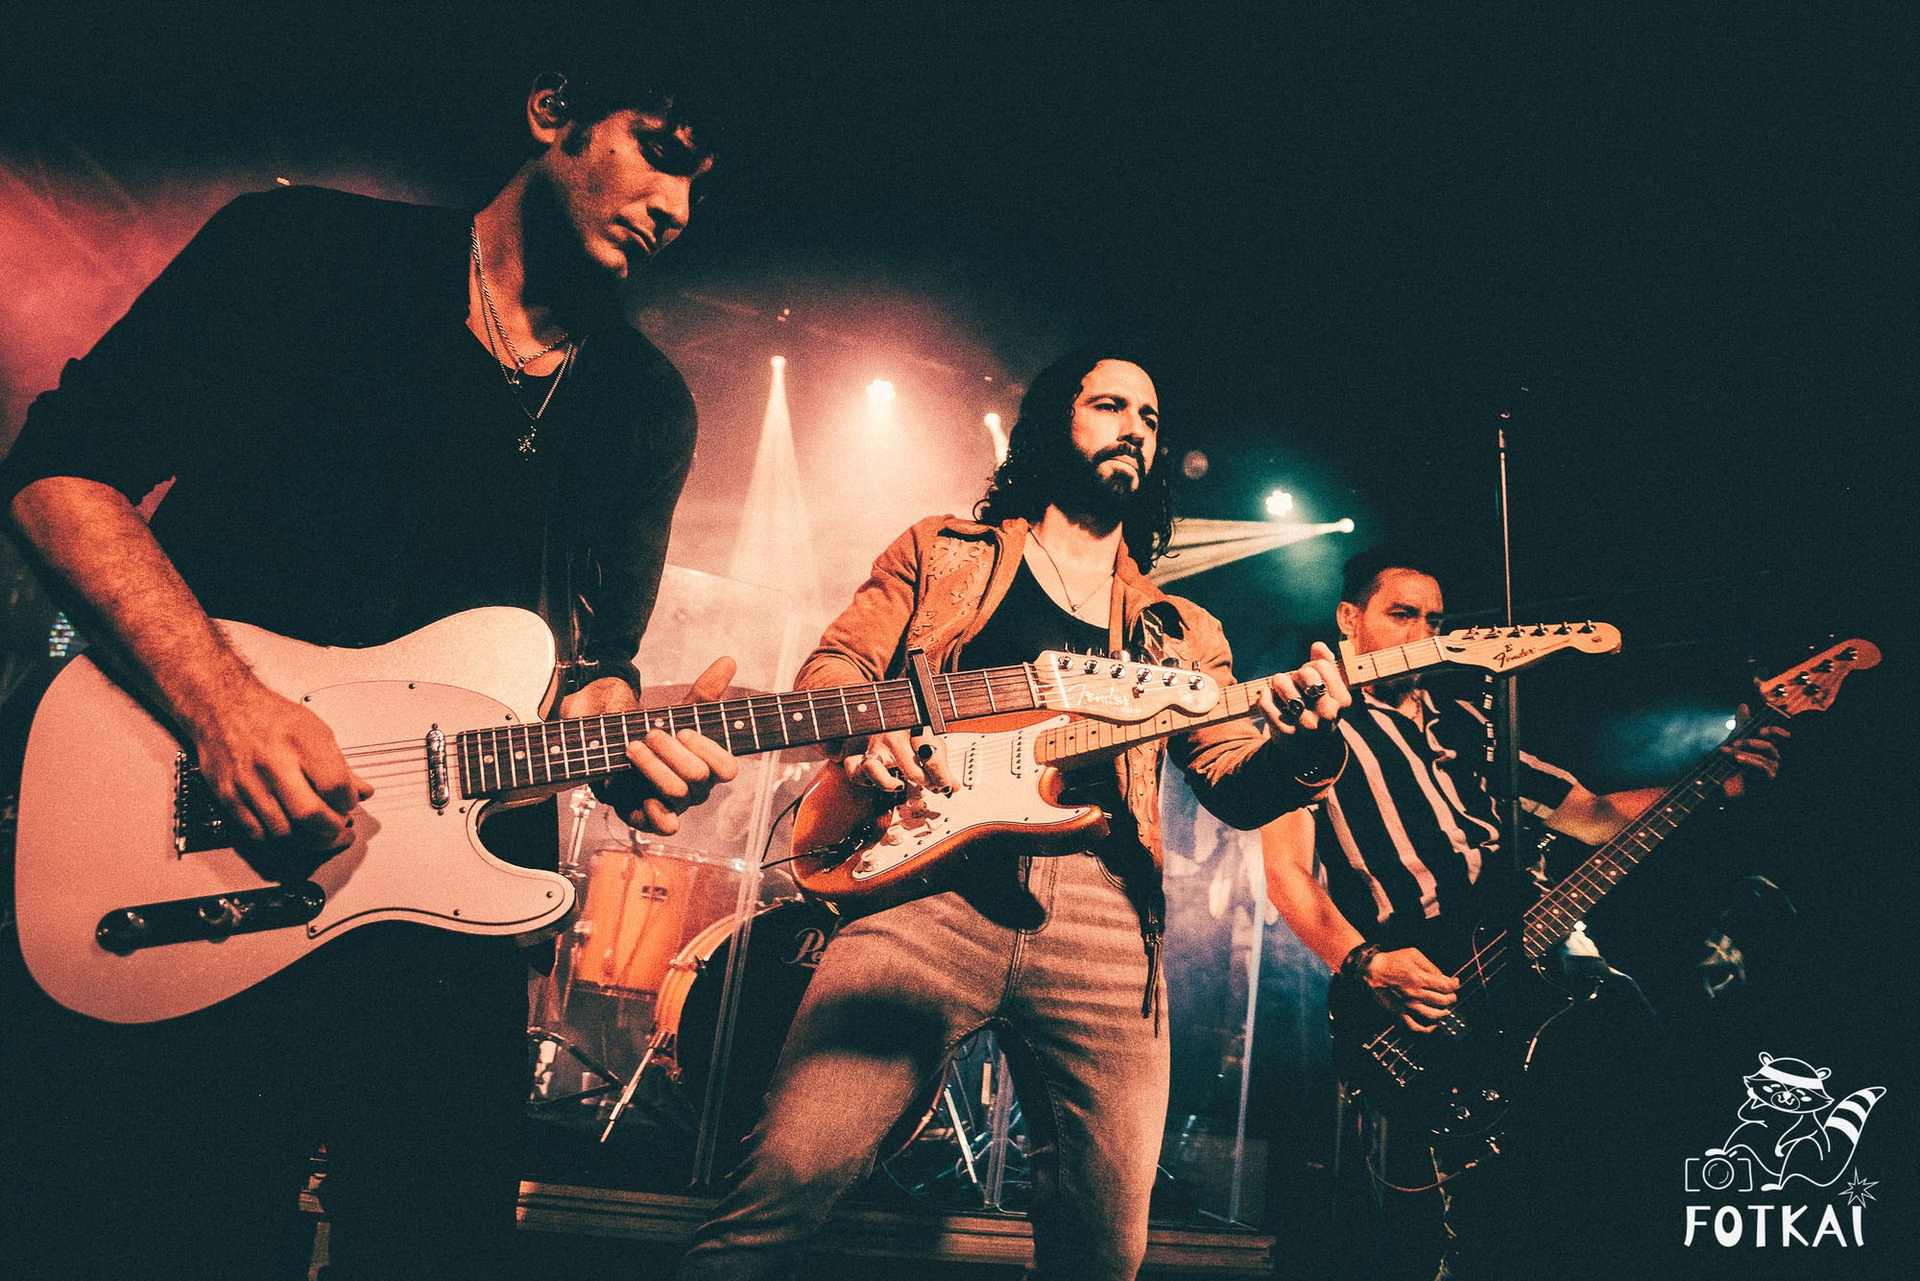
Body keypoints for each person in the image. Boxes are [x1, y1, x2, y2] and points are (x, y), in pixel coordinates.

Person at [0, 52, 738, 1279]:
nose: (678, 208)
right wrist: (226, 709)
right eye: (663, 152)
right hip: (193, 839)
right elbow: (59, 477)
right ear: (554, 112)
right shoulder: (303, 253)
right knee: (154, 1229)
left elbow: (591, 666)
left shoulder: (647, 405)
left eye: (703, 188)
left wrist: (624, 739)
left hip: (446, 919)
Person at [678, 349, 1354, 1281]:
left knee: (1104, 1252)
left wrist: (1307, 744)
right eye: (1110, 404)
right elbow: (836, 667)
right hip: (925, 889)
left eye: (1151, 418)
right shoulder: (942, 551)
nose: (1135, 428)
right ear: (1052, 424)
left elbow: (1232, 780)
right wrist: (868, 735)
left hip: (1106, 918)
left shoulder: (1183, 631)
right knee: (783, 1182)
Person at [1260, 548, 1786, 1279]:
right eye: (1402, 614)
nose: (1423, 632)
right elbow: (1286, 874)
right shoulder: (1313, 723)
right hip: (1422, 975)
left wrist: (1715, 779)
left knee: (1628, 1099)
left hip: (1523, 955)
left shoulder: (1470, 720)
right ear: (1349, 618)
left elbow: (1593, 816)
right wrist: (1365, 962)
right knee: (1464, 1219)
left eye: (1434, 620)